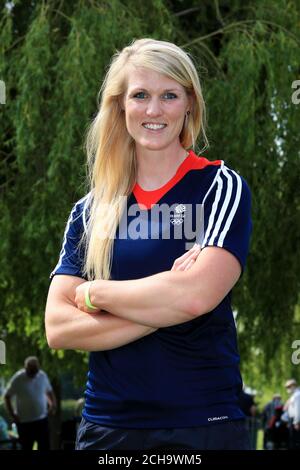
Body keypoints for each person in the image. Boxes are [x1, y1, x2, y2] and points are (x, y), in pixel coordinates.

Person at [45, 38, 252, 450]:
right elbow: (58, 326)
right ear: (121, 106)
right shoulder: (91, 210)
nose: (154, 111)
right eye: (140, 95)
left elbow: (195, 298)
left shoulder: (219, 187)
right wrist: (165, 302)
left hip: (202, 424)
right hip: (107, 428)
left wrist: (94, 293)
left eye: (169, 96)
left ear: (189, 103)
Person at [4, 356, 56, 450]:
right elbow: (7, 396)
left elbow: (49, 391)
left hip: (41, 420)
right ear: (26, 368)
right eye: (31, 370)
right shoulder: (18, 378)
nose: (33, 373)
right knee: (26, 447)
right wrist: (12, 414)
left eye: (35, 370)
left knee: (45, 447)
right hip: (24, 423)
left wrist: (52, 405)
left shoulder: (42, 376)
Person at [284, 378, 300, 449]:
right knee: (292, 440)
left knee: (295, 441)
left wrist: (296, 422)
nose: (288, 388)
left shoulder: (297, 395)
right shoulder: (294, 395)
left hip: (296, 420)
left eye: (289, 386)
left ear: (294, 385)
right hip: (292, 420)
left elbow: (298, 409)